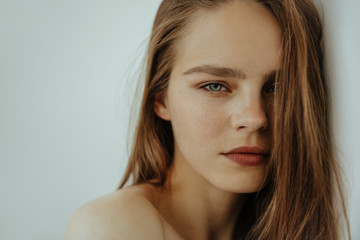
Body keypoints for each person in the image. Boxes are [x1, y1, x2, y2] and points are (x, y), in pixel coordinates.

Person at [63, 0, 350, 239]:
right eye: (215, 86)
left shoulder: (295, 225)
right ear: (160, 98)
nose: (254, 118)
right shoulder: (111, 227)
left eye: (278, 87)